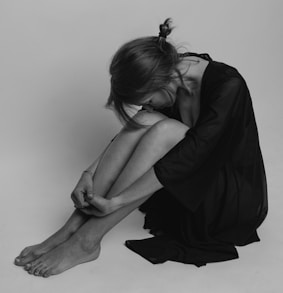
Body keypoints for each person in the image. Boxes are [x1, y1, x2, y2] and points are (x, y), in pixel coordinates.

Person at [14, 18, 268, 277]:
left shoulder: (228, 85)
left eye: (146, 98)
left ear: (162, 81)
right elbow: (139, 126)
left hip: (222, 199)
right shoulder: (170, 71)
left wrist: (118, 201)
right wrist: (88, 173)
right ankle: (71, 228)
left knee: (166, 130)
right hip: (181, 185)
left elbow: (192, 155)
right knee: (146, 119)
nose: (148, 104)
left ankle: (86, 241)